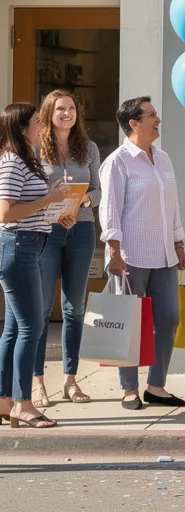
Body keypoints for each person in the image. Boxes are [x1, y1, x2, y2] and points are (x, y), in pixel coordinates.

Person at [99, 96, 185, 411]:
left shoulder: (163, 158)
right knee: (128, 323)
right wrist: (114, 252)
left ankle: (156, 386)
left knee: (169, 318)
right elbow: (110, 211)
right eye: (152, 115)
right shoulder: (118, 162)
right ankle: (129, 389)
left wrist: (178, 244)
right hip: (130, 257)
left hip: (164, 255)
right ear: (133, 123)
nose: (158, 120)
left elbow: (172, 206)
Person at [0, 103, 71, 428]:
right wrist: (48, 201)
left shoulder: (27, 159)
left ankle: (6, 401)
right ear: (21, 128)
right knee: (31, 327)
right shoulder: (12, 162)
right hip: (19, 248)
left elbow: (30, 208)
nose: (42, 125)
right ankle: (23, 404)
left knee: (15, 328)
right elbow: (6, 213)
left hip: (29, 245)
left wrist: (56, 214)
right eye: (37, 121)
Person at [33, 90, 101, 407]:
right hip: (46, 231)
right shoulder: (35, 148)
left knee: (74, 309)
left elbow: (98, 191)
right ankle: (37, 382)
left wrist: (84, 200)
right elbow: (28, 192)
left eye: (72, 108)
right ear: (49, 112)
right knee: (42, 309)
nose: (67, 113)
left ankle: (70, 380)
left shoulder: (88, 148)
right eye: (61, 108)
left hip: (81, 230)